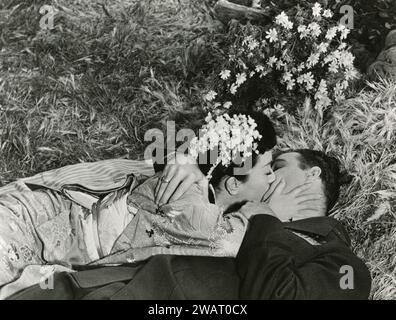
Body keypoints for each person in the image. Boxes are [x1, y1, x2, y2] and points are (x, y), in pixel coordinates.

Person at [8, 148, 371, 300]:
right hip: (76, 282)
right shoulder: (239, 207)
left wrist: (264, 217)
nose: (268, 179)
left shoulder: (343, 262)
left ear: (312, 175)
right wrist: (189, 165)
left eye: (277, 168)